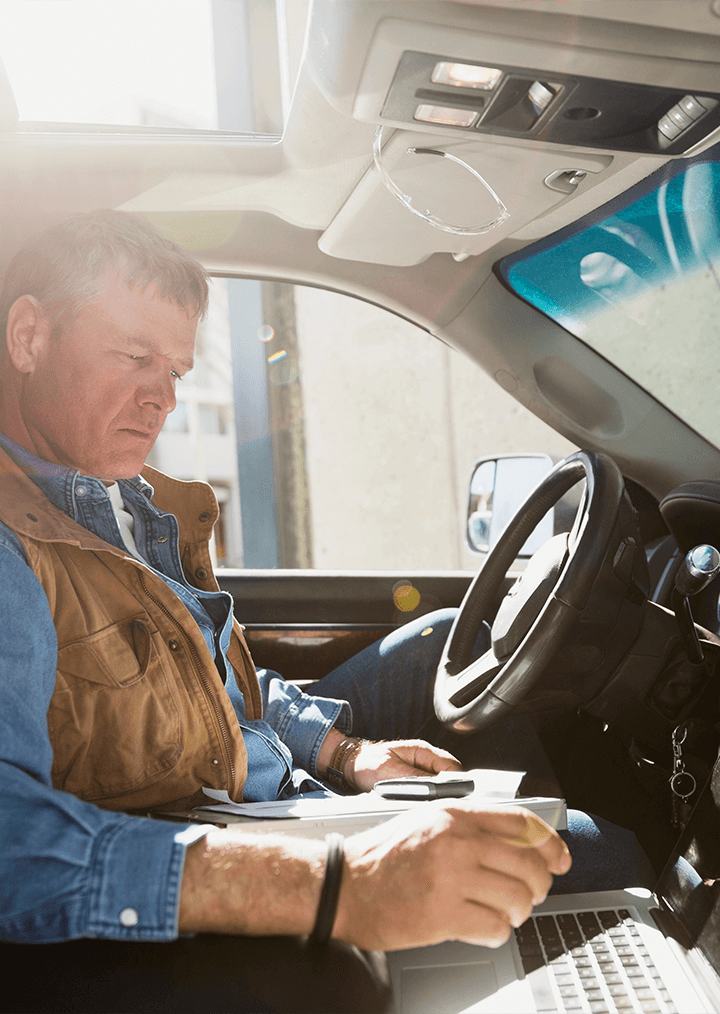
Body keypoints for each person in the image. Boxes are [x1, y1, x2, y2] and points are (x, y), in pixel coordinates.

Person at [0, 211, 650, 1012]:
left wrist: (348, 755)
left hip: (265, 782)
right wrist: (339, 880)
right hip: (223, 826)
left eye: (176, 369)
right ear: (28, 336)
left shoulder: (127, 501)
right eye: (136, 357)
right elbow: (11, 841)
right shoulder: (12, 545)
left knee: (445, 639)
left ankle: (487, 897)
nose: (164, 400)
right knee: (603, 852)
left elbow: (223, 672)